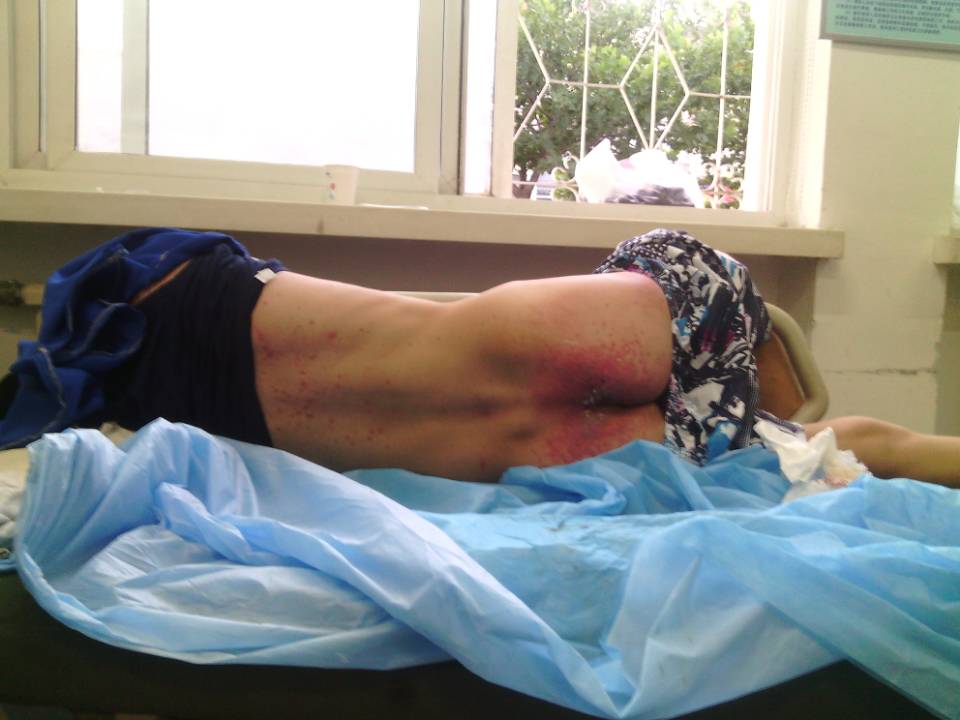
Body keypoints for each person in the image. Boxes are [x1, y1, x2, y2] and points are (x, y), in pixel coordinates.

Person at [2, 228, 958, 488]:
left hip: (598, 408)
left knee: (804, 450)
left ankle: (784, 428)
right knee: (808, 446)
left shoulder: (135, 416)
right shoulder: (153, 291)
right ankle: (787, 424)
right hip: (659, 312)